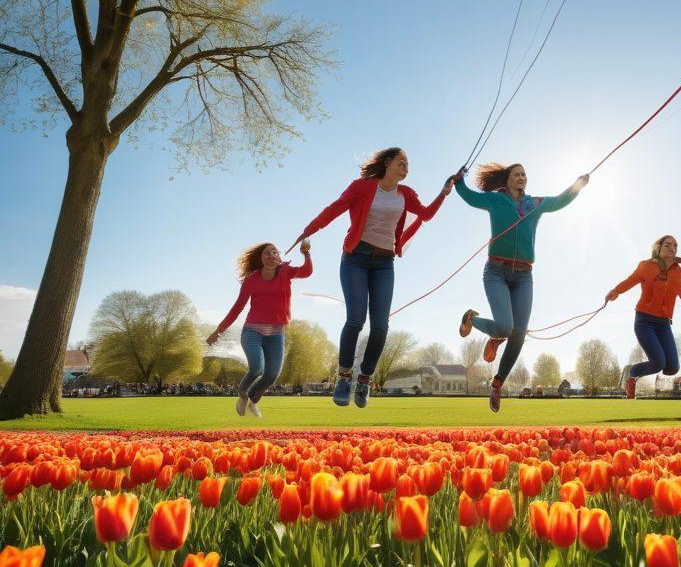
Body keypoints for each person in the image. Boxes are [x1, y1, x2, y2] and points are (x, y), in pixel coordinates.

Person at [293, 148, 456, 409]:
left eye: (408, 163)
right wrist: (308, 230)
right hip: (355, 260)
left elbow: (425, 214)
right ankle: (344, 377)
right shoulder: (362, 187)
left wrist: (443, 193)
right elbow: (334, 209)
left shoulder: (406, 194)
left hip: (384, 263)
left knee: (380, 326)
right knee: (356, 319)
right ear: (387, 163)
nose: (406, 167)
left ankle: (365, 379)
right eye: (401, 162)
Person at [456, 162, 589, 413]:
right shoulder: (494, 201)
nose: (521, 177)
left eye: (524, 174)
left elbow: (560, 201)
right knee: (506, 326)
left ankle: (497, 384)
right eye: (516, 174)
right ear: (506, 180)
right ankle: (472, 319)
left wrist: (578, 185)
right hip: (496, 271)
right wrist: (459, 181)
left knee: (519, 332)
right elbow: (469, 197)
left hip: (524, 276)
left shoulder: (534, 204)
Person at [606, 235, 681, 399]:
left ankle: (637, 371)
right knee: (658, 362)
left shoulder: (679, 273)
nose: (671, 248)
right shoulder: (646, 266)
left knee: (672, 368)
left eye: (675, 246)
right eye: (667, 245)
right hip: (644, 321)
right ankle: (633, 374)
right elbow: (630, 280)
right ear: (658, 248)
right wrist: (615, 291)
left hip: (663, 324)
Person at [207, 240, 313, 419]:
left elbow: (307, 271)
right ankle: (242, 393)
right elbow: (237, 309)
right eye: (267, 253)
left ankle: (253, 400)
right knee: (257, 368)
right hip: (252, 332)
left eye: (275, 252)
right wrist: (218, 331)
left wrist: (306, 253)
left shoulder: (285, 272)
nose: (272, 255)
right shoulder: (251, 280)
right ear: (260, 258)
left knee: (271, 375)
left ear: (279, 257)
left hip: (276, 334)